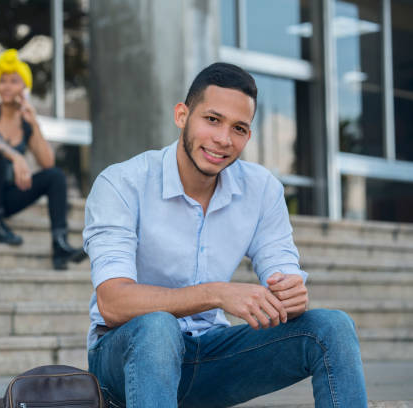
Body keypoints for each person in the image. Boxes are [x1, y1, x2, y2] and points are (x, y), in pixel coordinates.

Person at [82, 63, 367, 407]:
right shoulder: (122, 183)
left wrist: (290, 294)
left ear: (248, 136)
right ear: (182, 115)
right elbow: (112, 303)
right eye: (212, 120)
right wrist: (216, 294)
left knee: (332, 327)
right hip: (124, 356)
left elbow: (283, 270)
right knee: (158, 328)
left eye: (239, 128)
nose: (223, 139)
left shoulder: (262, 190)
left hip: (213, 357)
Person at [0, 49, 86, 270]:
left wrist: (34, 123)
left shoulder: (26, 125)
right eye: (2, 81)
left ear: (25, 88)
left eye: (14, 81)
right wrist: (16, 156)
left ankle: (60, 244)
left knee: (55, 177)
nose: (6, 86)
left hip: (2, 196)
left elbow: (47, 162)